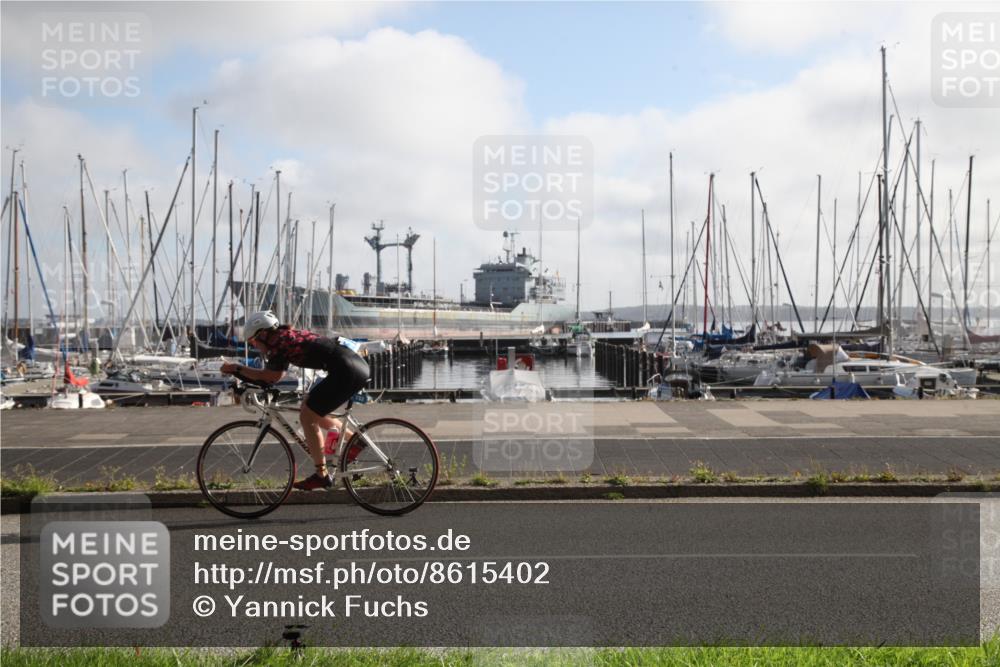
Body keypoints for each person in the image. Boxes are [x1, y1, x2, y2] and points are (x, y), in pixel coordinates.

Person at [220, 311, 370, 490]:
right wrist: (242, 374)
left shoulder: (280, 343)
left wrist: (236, 369)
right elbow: (271, 377)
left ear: (264, 334)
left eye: (253, 341)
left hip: (347, 370)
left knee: (307, 416)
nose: (255, 346)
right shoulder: (283, 338)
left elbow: (271, 377)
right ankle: (354, 441)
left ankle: (321, 474)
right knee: (309, 408)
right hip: (351, 366)